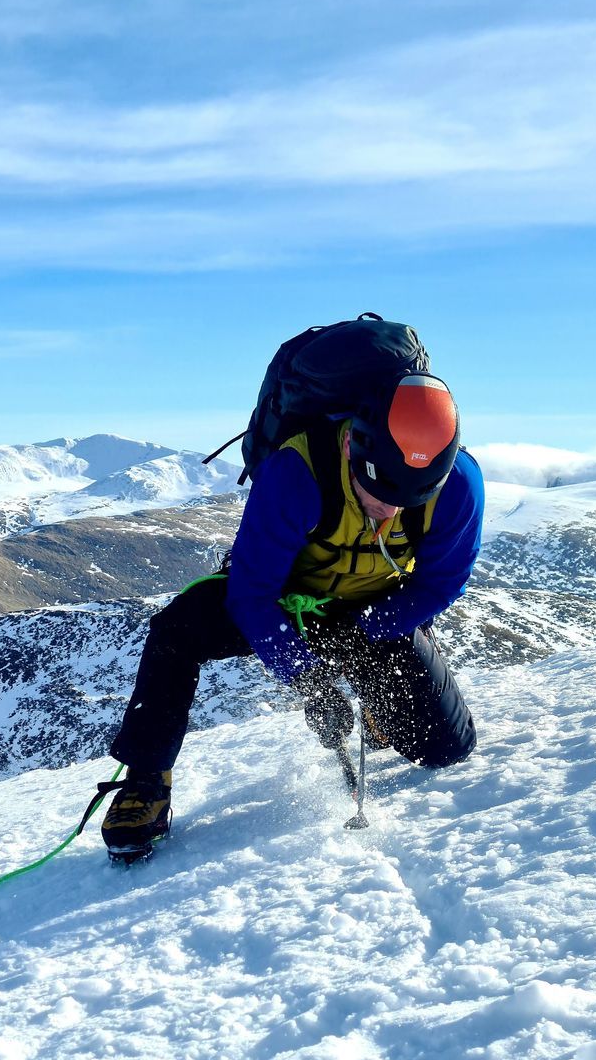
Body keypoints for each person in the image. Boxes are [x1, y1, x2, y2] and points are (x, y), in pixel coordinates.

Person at [101, 363, 483, 863]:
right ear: (353, 448)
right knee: (176, 631)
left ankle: (377, 703)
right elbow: (251, 594)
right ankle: (147, 779)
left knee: (446, 750)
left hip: (373, 610)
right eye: (380, 491)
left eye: (412, 497)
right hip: (283, 602)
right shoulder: (298, 471)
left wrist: (369, 634)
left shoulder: (459, 484)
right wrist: (309, 677)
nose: (390, 511)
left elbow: (441, 580)